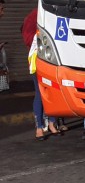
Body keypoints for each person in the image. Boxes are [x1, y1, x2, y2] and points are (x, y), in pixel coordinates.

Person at [22, 8, 61, 140]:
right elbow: (28, 40)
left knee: (53, 92)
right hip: (37, 62)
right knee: (40, 94)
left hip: (51, 61)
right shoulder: (35, 17)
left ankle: (51, 123)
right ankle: (39, 128)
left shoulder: (52, 16)